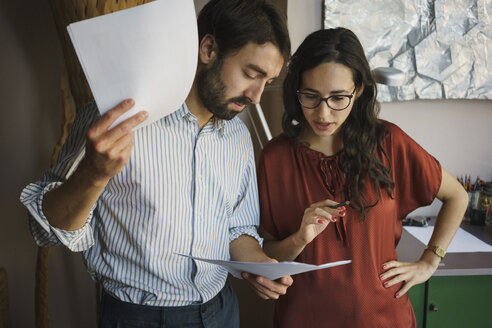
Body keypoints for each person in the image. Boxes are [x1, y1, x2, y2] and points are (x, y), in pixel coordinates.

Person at [20, 0, 292, 327]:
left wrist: (259, 267)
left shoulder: (238, 137)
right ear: (208, 48)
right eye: (252, 74)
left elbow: (237, 229)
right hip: (139, 317)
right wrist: (93, 175)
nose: (257, 95)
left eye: (268, 81)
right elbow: (44, 228)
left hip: (222, 310)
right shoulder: (117, 118)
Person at [257, 27, 468, 328]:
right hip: (304, 319)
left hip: (385, 319)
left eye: (338, 98)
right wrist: (299, 239)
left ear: (359, 91)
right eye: (311, 96)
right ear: (296, 90)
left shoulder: (389, 142)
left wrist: (430, 261)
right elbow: (266, 252)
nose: (323, 113)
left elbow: (457, 195)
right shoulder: (274, 158)